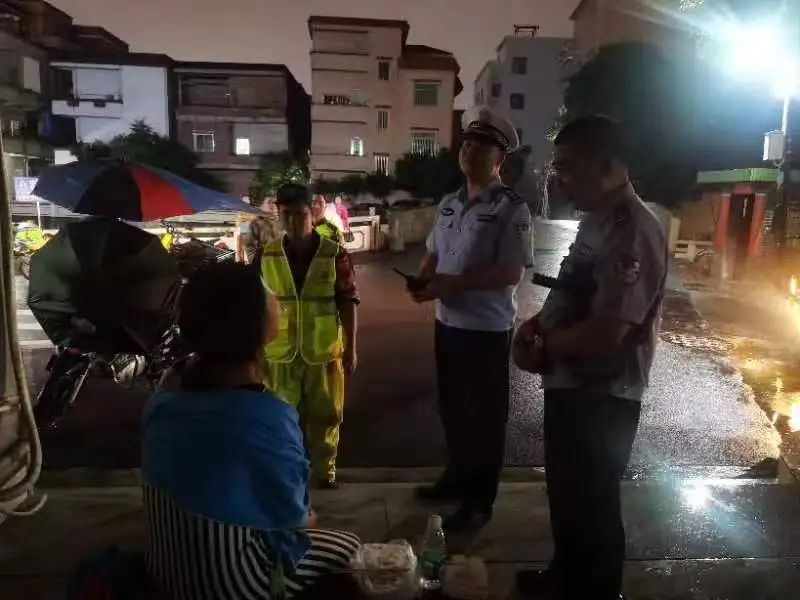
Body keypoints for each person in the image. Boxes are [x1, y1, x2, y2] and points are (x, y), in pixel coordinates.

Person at [513, 116, 667, 600]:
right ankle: (565, 579)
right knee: (568, 498)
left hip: (604, 394)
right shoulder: (597, 221)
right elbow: (571, 292)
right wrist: (535, 329)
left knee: (593, 506)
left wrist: (544, 347)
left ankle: (594, 590)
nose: (559, 178)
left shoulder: (632, 231)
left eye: (568, 167)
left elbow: (610, 331)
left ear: (606, 164)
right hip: (572, 384)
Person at [141, 263, 360, 600]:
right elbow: (295, 519)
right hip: (228, 584)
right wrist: (306, 516)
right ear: (252, 324)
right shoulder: (268, 418)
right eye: (266, 291)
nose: (276, 298)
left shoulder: (169, 387)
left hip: (164, 564)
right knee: (350, 548)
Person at [409, 107, 533, 532]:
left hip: (487, 332)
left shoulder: (511, 208)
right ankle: (455, 478)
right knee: (452, 411)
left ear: (500, 159)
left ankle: (480, 501)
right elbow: (434, 253)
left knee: (484, 420)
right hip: (448, 325)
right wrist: (424, 280)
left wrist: (450, 286)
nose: (470, 152)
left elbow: (510, 272)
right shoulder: (448, 204)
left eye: (481, 147)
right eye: (467, 144)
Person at [259, 183, 359, 489]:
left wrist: (351, 348)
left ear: (312, 214)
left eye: (299, 214)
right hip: (279, 351)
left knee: (327, 416)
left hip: (324, 351)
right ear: (277, 215)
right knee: (281, 419)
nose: (292, 221)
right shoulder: (267, 255)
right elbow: (258, 306)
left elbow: (348, 301)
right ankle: (286, 474)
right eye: (285, 214)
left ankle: (323, 473)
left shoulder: (334, 253)